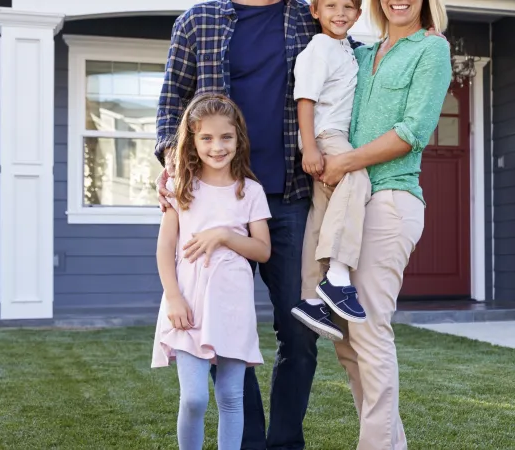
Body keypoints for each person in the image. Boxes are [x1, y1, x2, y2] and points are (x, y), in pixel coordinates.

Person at [153, 1, 362, 448]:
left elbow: (351, 57)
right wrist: (173, 163)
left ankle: (285, 442)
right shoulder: (197, 22)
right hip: (220, 200)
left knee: (301, 330)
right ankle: (245, 441)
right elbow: (171, 111)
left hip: (290, 197)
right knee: (220, 329)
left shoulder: (307, 19)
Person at [316, 0, 452, 448]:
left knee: (369, 330)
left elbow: (413, 130)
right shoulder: (359, 53)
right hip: (352, 202)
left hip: (390, 199)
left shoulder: (430, 50)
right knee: (346, 340)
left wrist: (344, 162)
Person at [151, 93, 272, 450]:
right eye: (206, 138)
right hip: (188, 302)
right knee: (194, 399)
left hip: (232, 306)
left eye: (226, 137)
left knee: (231, 397)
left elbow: (262, 250)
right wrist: (173, 297)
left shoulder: (250, 191)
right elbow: (164, 248)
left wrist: (223, 236)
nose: (217, 146)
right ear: (192, 139)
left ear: (238, 139)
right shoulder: (180, 189)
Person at [290, 0, 371, 342]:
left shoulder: (347, 49)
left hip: (329, 136)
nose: (340, 13)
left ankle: (310, 298)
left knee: (321, 214)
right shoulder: (320, 46)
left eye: (348, 7)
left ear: (358, 14)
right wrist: (310, 146)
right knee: (357, 178)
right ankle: (337, 274)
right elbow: (305, 99)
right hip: (326, 135)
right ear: (315, 11)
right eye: (331, 5)